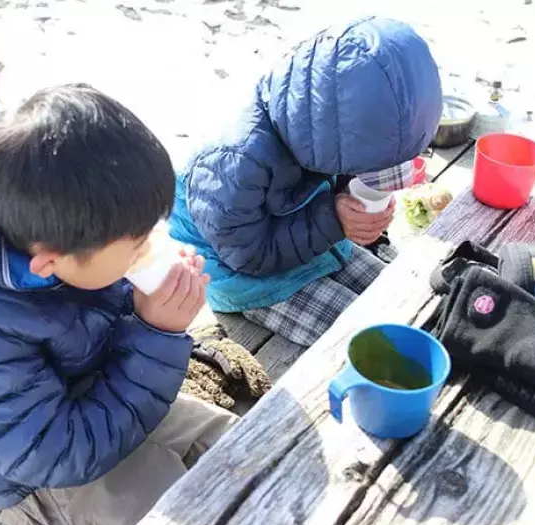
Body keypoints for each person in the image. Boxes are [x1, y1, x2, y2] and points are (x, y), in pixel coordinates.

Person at [0, 83, 239, 525]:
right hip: (37, 469)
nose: (147, 248)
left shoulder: (59, 220)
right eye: (136, 246)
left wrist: (148, 303)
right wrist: (156, 333)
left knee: (241, 448)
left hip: (93, 391)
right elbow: (60, 455)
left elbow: (92, 301)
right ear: (48, 263)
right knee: (187, 513)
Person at [169, 16, 443, 347]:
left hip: (312, 234)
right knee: (372, 339)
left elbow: (341, 163)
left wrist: (351, 201)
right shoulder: (233, 161)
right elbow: (249, 256)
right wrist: (335, 220)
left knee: (410, 299)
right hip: (245, 274)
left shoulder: (318, 120)